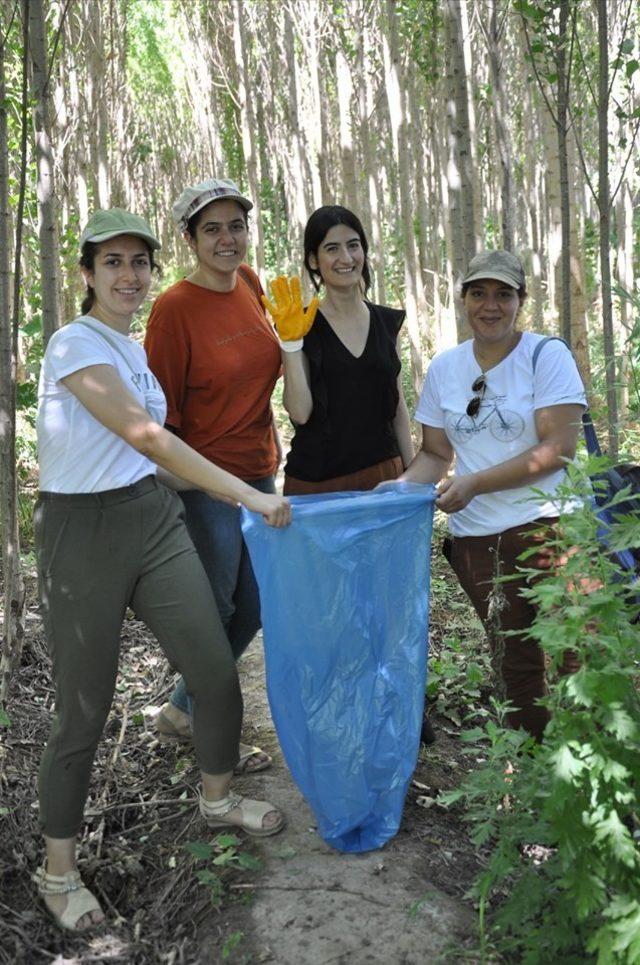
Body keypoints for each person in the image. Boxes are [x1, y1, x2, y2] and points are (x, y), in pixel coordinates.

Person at [34, 208, 290, 933]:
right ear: (87, 273)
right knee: (82, 710)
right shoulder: (72, 344)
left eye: (139, 263)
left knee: (211, 665)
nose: (129, 275)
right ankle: (58, 870)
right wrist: (242, 492)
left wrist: (239, 495)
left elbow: (154, 461)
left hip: (150, 518)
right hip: (81, 534)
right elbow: (146, 433)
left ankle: (216, 798)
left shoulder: (136, 352)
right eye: (112, 262)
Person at [397, 250, 586, 741]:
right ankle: (535, 774)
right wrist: (396, 490)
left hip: (552, 527)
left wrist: (476, 483)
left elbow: (559, 448)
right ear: (464, 301)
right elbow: (436, 453)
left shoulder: (546, 356)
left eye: (504, 294)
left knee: (577, 658)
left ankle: (590, 775)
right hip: (479, 542)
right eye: (479, 293)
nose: (490, 305)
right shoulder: (444, 370)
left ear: (521, 301)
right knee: (514, 663)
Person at [144, 180, 281, 772]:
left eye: (236, 226)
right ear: (189, 239)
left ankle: (181, 709)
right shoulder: (174, 309)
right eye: (213, 229)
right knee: (217, 608)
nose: (227, 239)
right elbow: (159, 417)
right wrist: (195, 483)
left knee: (258, 604)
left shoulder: (250, 285)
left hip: (260, 472)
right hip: (208, 483)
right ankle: (211, 737)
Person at [267, 205, 414, 495]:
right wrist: (291, 343)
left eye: (353, 245)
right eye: (332, 248)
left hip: (384, 476)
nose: (346, 258)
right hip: (318, 483)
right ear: (313, 260)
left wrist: (413, 477)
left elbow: (397, 408)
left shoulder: (387, 322)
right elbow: (299, 412)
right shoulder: (300, 325)